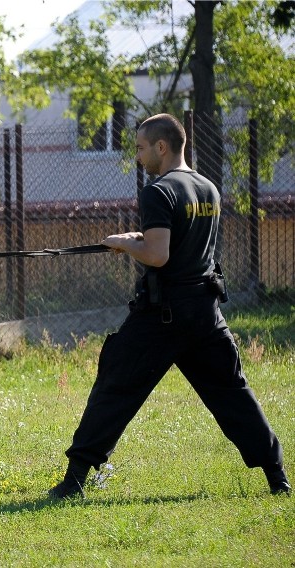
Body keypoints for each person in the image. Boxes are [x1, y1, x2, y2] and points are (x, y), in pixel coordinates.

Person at [48, 113, 290, 499]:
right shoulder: (207, 188)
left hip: (162, 316)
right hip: (206, 313)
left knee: (115, 386)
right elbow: (180, 245)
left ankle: (74, 479)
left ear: (162, 147)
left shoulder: (158, 191)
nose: (139, 158)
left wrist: (125, 243)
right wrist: (135, 238)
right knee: (232, 394)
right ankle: (277, 477)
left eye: (142, 149)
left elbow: (158, 255)